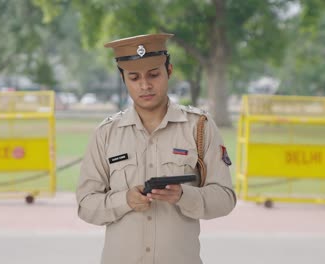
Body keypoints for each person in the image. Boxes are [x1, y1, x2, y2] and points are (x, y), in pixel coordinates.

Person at [76, 33, 236, 264]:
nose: (145, 85)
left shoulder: (199, 127)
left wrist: (183, 195)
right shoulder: (106, 134)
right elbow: (85, 205)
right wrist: (125, 200)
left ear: (169, 70)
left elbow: (225, 199)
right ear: (123, 79)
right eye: (134, 77)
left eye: (154, 74)